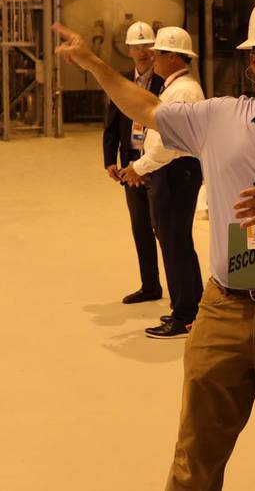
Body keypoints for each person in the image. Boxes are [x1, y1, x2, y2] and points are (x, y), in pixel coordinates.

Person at [55, 0, 255, 491]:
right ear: (253, 63)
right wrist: (94, 63)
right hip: (223, 305)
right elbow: (146, 107)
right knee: (195, 455)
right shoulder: (219, 118)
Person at [121, 26, 206, 339]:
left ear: (173, 56)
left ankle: (184, 315)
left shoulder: (182, 91)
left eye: (158, 52)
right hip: (176, 171)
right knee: (178, 242)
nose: (152, 57)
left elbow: (166, 142)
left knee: (173, 243)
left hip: (175, 172)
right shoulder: (178, 87)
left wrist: (139, 167)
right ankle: (191, 308)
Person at [103, 20, 165, 305]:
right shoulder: (122, 82)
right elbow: (112, 125)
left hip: (159, 163)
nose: (142, 52)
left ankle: (180, 289)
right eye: (136, 47)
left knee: (165, 228)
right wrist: (110, 161)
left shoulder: (166, 82)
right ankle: (149, 286)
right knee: (140, 227)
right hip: (130, 163)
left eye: (147, 46)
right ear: (128, 50)